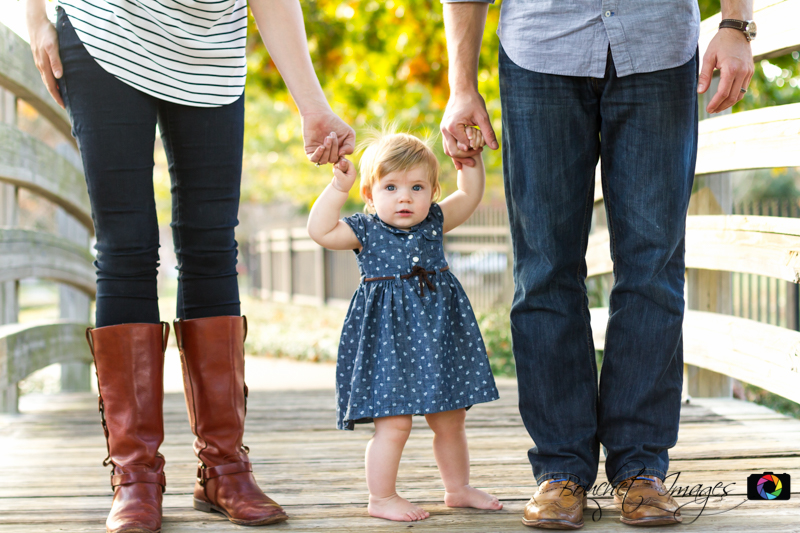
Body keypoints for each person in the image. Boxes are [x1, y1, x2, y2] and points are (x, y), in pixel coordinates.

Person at [25, 0, 354, 531]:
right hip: (105, 32)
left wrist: (312, 105)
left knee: (212, 245)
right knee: (126, 246)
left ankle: (223, 468)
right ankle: (135, 476)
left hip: (209, 52)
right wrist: (35, 16)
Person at [439, 0, 755, 529]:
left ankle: (640, 468)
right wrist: (461, 84)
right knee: (544, 270)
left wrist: (735, 24)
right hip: (539, 48)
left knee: (653, 267)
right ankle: (561, 469)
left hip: (659, 45)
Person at [306, 129, 503, 522]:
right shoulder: (364, 230)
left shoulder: (434, 221)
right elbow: (320, 231)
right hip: (387, 344)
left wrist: (471, 162)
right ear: (370, 194)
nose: (405, 198)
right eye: (391, 187)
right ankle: (381, 497)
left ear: (432, 192)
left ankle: (458, 488)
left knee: (451, 418)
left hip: (438, 338)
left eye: (417, 187)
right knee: (394, 424)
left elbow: (468, 196)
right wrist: (338, 187)